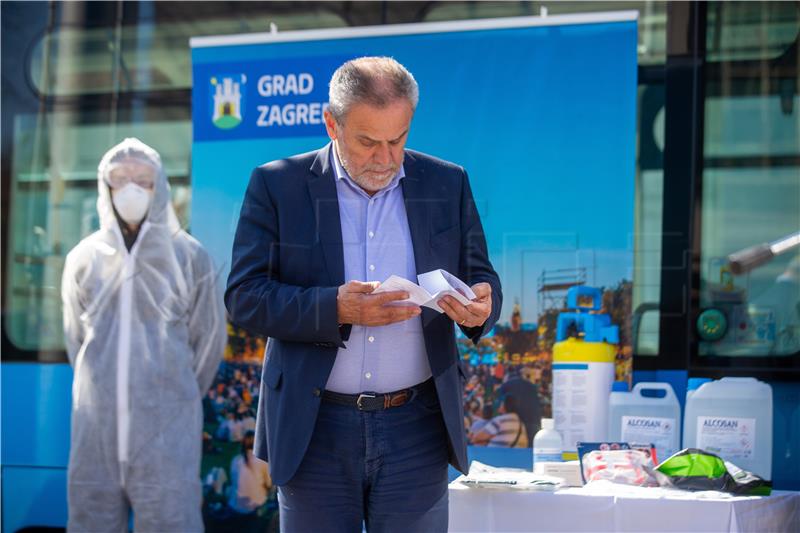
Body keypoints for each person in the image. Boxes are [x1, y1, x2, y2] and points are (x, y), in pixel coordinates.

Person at [225, 56, 502, 532]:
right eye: (368, 141)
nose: (386, 158)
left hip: (417, 427)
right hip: (314, 428)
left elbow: (481, 276)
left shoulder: (446, 181)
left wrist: (481, 305)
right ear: (332, 123)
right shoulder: (278, 185)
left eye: (398, 139)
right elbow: (244, 296)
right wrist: (335, 307)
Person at [61, 138, 227, 532]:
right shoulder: (83, 259)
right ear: (105, 187)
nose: (131, 189)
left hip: (167, 438)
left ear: (161, 188)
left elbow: (208, 345)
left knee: (172, 522)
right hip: (95, 433)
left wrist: (173, 397)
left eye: (143, 180)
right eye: (120, 179)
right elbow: (76, 342)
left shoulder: (190, 257)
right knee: (91, 522)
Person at [227, 431, 273, 533]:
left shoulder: (235, 460)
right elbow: (269, 485)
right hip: (255, 508)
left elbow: (233, 482)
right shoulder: (263, 462)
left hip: (235, 506)